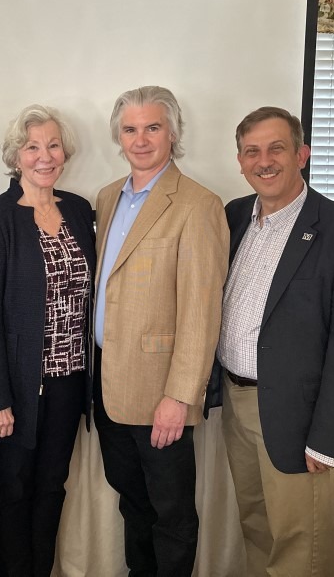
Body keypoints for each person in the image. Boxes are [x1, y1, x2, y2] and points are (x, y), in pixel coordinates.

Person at [206, 106, 334, 576]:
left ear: (301, 154)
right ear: (240, 161)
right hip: (236, 401)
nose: (264, 161)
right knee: (256, 526)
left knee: (298, 543)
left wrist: (327, 437)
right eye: (252, 151)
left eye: (276, 148)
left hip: (296, 414)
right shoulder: (235, 216)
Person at [94, 86, 228, 576]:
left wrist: (179, 395)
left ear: (173, 133)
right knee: (133, 505)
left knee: (171, 515)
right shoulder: (108, 198)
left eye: (153, 128)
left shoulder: (198, 204)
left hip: (160, 395)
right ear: (119, 136)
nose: (141, 139)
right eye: (130, 129)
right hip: (109, 385)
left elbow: (201, 310)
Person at [0, 105, 96, 577]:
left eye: (54, 145)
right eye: (32, 146)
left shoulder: (79, 211)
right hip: (17, 390)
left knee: (52, 488)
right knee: (13, 491)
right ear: (16, 156)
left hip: (69, 382)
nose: (45, 156)